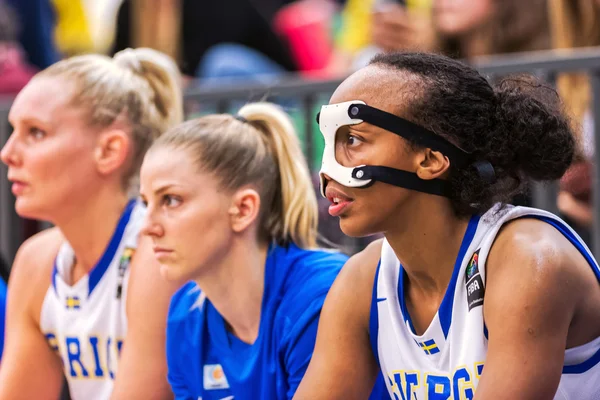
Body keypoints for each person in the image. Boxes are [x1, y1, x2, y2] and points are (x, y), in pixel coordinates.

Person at [294, 52, 600, 399]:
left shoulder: (530, 260)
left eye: (352, 140)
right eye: (329, 142)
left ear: (430, 160)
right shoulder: (362, 280)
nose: (326, 169)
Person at [139, 102, 384, 399]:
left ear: (243, 209)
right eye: (145, 203)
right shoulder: (185, 317)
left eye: (171, 200)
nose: (147, 226)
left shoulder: (318, 298)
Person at [0, 47, 183, 399]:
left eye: (35, 132)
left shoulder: (157, 250)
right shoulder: (36, 261)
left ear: (110, 150)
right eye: (13, 130)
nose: (7, 152)